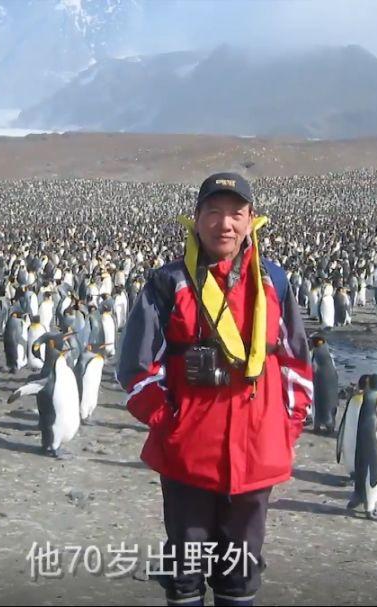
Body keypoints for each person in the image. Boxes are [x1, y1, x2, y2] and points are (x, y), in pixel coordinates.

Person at [117, 172, 314, 606]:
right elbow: (134, 367)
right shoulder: (168, 284)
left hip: (257, 453)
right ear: (197, 219)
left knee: (239, 573)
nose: (225, 224)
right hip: (189, 456)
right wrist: (171, 424)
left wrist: (286, 427)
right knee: (185, 572)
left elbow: (297, 362)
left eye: (235, 214)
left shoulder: (273, 282)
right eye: (214, 212)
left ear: (251, 221)